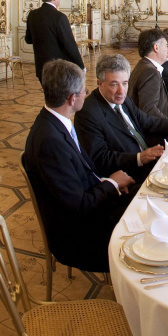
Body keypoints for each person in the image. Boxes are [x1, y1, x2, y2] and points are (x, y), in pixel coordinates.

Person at [24, 59, 134, 272]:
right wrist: (111, 184)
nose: (87, 94)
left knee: (145, 196)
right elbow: (79, 205)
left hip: (89, 204)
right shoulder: (50, 141)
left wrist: (107, 182)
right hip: (78, 236)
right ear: (73, 98)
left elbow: (81, 172)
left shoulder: (55, 122)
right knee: (147, 227)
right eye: (84, 91)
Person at [75, 54, 168, 185]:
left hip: (152, 160)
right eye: (114, 84)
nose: (121, 91)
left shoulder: (123, 99)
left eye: (125, 83)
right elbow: (100, 159)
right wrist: (139, 158)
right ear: (100, 83)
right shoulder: (88, 112)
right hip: (130, 174)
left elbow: (147, 121)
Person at [24, 0, 84, 83]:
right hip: (58, 69)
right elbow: (69, 44)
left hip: (41, 68)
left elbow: (28, 39)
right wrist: (81, 66)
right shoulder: (59, 17)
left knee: (49, 96)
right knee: (61, 97)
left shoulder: (32, 15)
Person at [128, 28, 168, 118]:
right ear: (156, 47)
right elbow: (149, 110)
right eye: (166, 46)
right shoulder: (150, 72)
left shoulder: (143, 65)